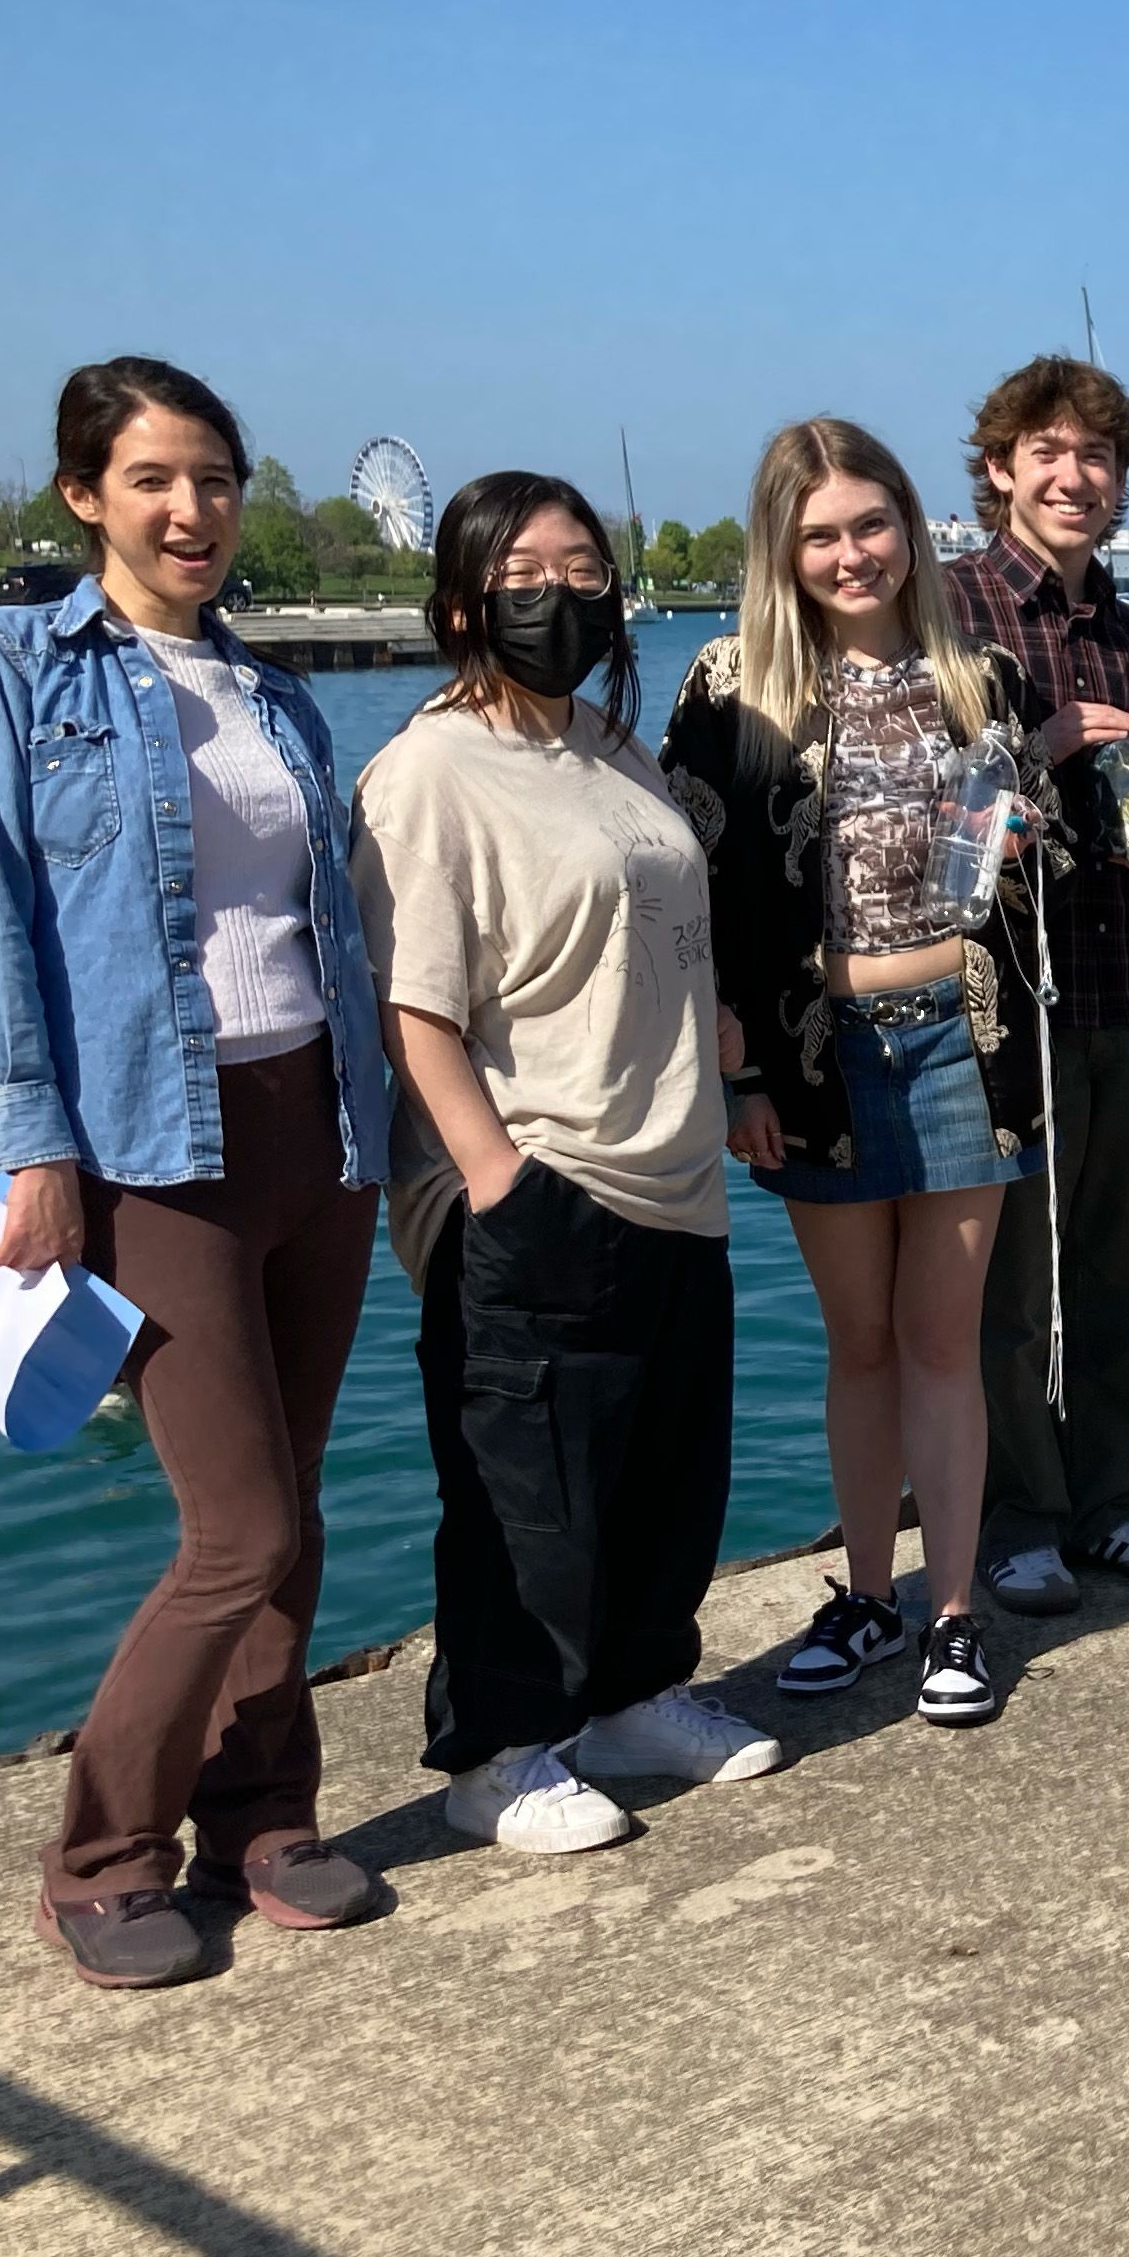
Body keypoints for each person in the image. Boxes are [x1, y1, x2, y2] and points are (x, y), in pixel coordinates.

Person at [0, 356, 395, 1987]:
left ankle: (263, 1813)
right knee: (234, 1525)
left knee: (295, 1507)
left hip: (313, 1130)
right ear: (83, 495)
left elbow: (312, 920)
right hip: (151, 1145)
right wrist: (32, 1150)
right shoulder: (4, 670)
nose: (192, 510)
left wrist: (375, 1127)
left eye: (214, 478)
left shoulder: (270, 691)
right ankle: (101, 1849)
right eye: (152, 480)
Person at [352, 473, 778, 1856]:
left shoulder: (609, 742)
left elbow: (650, 913)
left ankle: (636, 1694)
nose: (561, 596)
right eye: (526, 573)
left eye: (585, 570)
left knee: (665, 1467)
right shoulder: (428, 771)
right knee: (526, 1491)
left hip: (673, 1161)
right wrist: (495, 1179)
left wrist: (711, 1029)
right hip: (540, 1168)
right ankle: (498, 1748)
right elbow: (414, 1005)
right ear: (467, 601)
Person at [664, 418, 1049, 1733]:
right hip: (816, 1057)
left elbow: (1016, 867)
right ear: (783, 547)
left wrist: (1038, 819)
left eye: (870, 525)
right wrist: (742, 1074)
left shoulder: (982, 676)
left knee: (945, 1344)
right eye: (819, 534)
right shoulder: (729, 688)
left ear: (911, 528)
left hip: (965, 1039)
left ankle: (952, 1613)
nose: (849, 555)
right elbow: (697, 894)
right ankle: (867, 1594)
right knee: (859, 1346)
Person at [944, 356, 1129, 1617]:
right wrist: (1037, 752)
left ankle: (1113, 1500)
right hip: (1003, 998)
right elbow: (918, 827)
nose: (1073, 476)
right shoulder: (944, 612)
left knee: (1127, 1260)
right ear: (998, 468)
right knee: (1012, 1275)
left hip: (1127, 978)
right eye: (1046, 451)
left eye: (1096, 456)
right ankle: (1020, 1517)